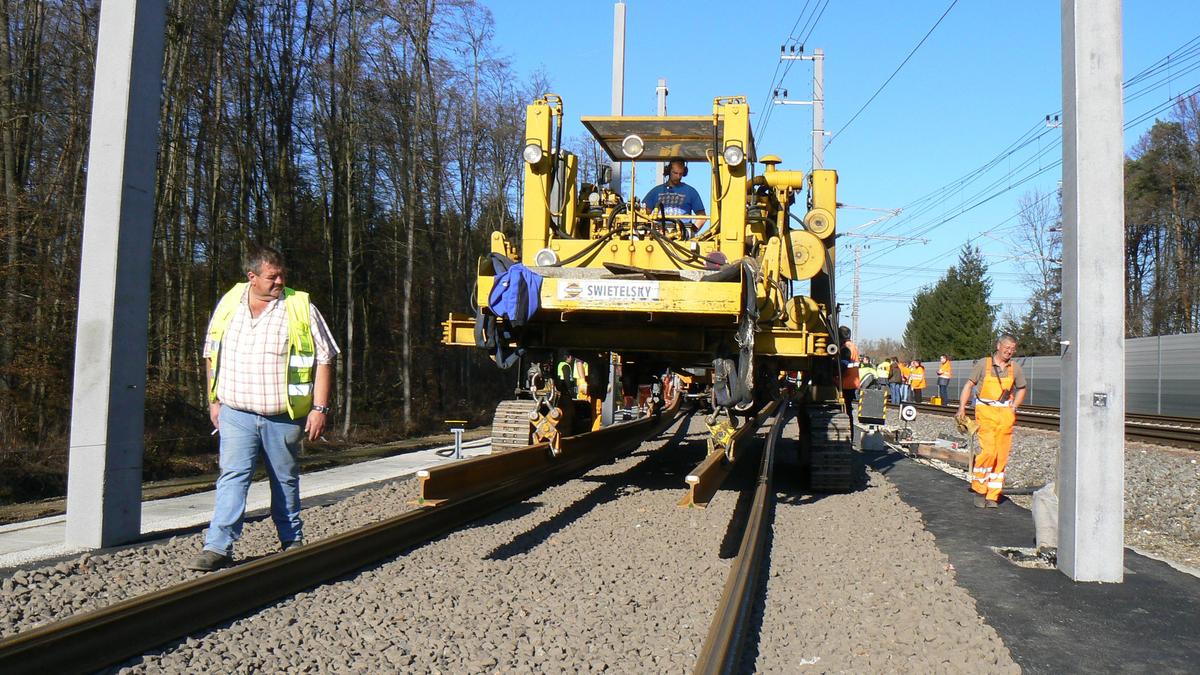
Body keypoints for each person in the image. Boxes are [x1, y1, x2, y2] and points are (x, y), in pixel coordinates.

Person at [187, 244, 340, 571]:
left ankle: (291, 541)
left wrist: (320, 408)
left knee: (284, 480)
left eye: (282, 274)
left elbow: (325, 357)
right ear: (252, 277)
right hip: (236, 413)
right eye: (272, 276)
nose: (280, 280)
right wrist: (214, 400)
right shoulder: (229, 303)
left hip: (283, 417)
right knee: (232, 478)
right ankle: (217, 547)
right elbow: (211, 353)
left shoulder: (300, 307)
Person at [956, 335, 1027, 508]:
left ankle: (993, 494)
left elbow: (1022, 388)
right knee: (989, 452)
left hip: (1005, 414)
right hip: (986, 411)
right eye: (1007, 347)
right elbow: (969, 385)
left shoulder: (1015, 368)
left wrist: (1014, 407)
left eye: (1013, 348)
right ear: (998, 345)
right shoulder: (983, 364)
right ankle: (980, 489)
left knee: (1001, 455)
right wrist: (962, 407)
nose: (1009, 351)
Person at [643, 158, 706, 237]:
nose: (678, 176)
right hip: (659, 233)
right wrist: (648, 231)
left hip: (682, 234)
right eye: (675, 173)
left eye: (681, 174)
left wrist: (690, 233)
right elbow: (644, 214)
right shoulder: (656, 191)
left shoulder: (691, 191)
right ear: (668, 171)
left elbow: (702, 217)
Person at [838, 325, 860, 411]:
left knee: (845, 409)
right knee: (848, 407)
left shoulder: (845, 348)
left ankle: (848, 423)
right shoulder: (852, 346)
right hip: (852, 381)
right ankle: (849, 423)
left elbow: (843, 365)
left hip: (845, 382)